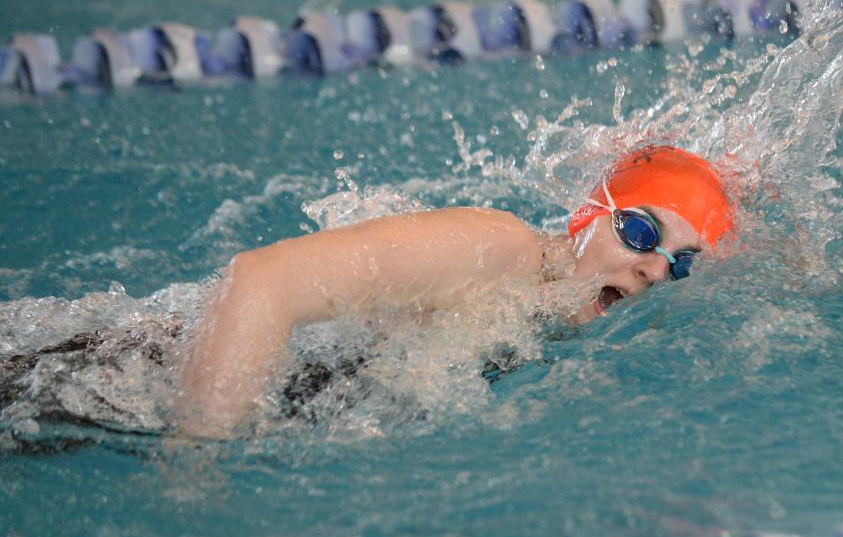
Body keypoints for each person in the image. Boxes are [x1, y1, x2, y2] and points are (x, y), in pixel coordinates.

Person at [180, 145, 734, 435]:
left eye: (681, 263)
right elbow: (260, 281)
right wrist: (195, 455)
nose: (654, 272)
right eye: (640, 232)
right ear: (589, 215)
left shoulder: (570, 329)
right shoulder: (501, 251)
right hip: (134, 384)